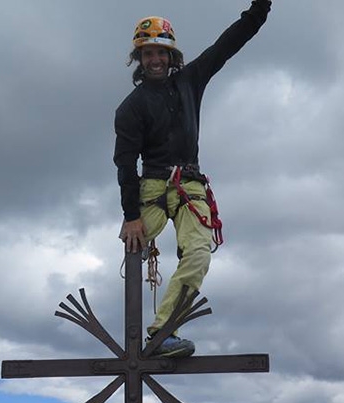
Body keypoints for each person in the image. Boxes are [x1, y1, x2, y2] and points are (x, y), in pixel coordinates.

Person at [114, 1, 272, 358]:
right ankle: (135, 336)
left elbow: (227, 44)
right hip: (151, 187)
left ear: (172, 56)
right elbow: (125, 163)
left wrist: (260, 9)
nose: (156, 59)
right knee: (133, 245)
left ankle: (162, 333)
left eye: (162, 52)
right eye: (149, 53)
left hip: (189, 184)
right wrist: (131, 216)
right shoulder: (131, 107)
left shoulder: (190, 81)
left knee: (198, 253)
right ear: (139, 58)